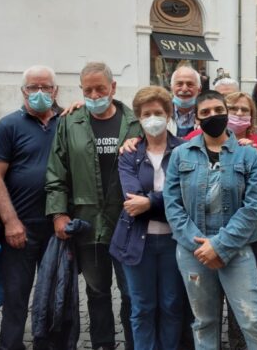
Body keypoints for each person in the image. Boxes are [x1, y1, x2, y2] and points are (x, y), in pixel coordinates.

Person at [164, 91, 257, 350]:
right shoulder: (181, 155)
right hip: (194, 250)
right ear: (196, 117)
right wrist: (201, 246)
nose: (212, 116)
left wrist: (220, 246)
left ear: (226, 112)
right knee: (204, 322)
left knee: (255, 322)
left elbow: (252, 208)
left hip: (238, 249)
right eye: (205, 112)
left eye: (217, 110)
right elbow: (173, 206)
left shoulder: (250, 157)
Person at [46, 62, 141, 350]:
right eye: (88, 90)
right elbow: (56, 171)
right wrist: (59, 213)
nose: (95, 94)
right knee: (97, 292)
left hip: (128, 222)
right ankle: (102, 344)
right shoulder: (70, 122)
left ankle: (135, 344)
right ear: (81, 91)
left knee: (131, 293)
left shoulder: (134, 121)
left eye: (100, 88)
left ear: (113, 87)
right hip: (88, 223)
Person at [0, 65, 60, 350]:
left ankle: (49, 343)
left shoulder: (67, 121)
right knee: (16, 295)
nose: (39, 93)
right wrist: (11, 221)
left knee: (54, 293)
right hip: (21, 227)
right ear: (23, 91)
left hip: (57, 226)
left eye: (45, 87)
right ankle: (11, 345)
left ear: (56, 91)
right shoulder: (9, 125)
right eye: (33, 87)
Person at [111, 86, 186, 350]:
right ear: (139, 118)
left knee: (172, 305)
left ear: (168, 115)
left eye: (158, 112)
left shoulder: (185, 150)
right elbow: (133, 200)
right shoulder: (129, 153)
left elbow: (185, 198)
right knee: (141, 307)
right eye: (146, 113)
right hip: (136, 242)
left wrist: (150, 201)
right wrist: (163, 201)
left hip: (174, 242)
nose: (152, 118)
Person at [169, 66, 202, 138]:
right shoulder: (162, 114)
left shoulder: (206, 115)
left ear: (199, 89)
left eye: (190, 84)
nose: (184, 89)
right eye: (179, 84)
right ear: (171, 88)